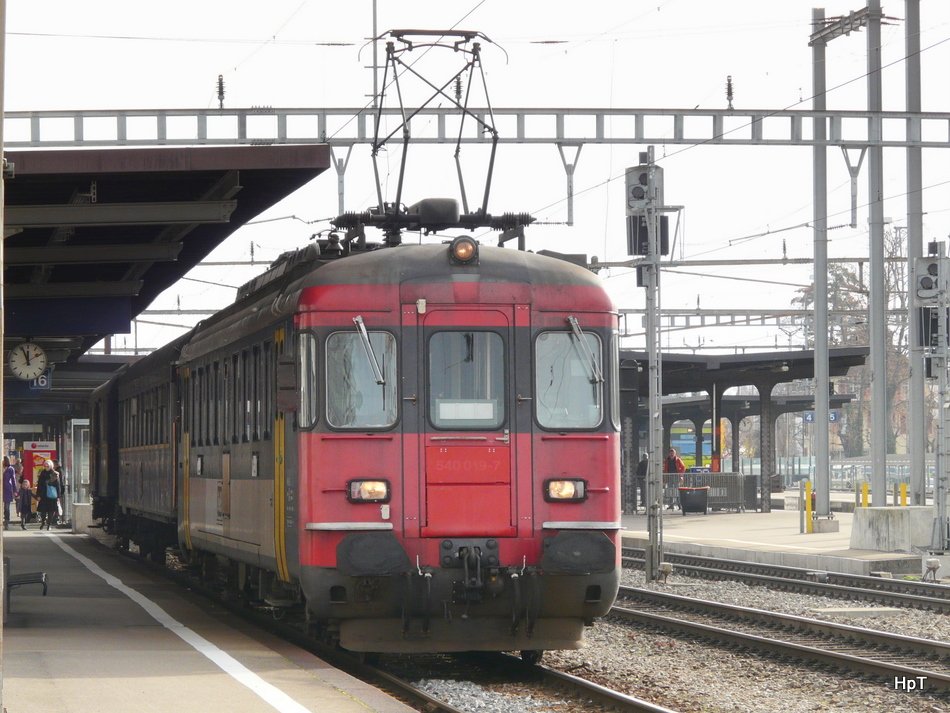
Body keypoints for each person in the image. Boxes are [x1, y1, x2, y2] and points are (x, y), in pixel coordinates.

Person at [36, 460, 61, 530]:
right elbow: (39, 485)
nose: (46, 467)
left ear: (51, 466)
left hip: (52, 495)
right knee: (43, 510)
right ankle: (43, 522)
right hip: (43, 494)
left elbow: (58, 485)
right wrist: (38, 495)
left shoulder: (54, 473)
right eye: (45, 465)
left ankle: (49, 524)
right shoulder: (42, 473)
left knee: (51, 510)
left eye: (47, 465)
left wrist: (58, 496)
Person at [2, 457, 18, 530]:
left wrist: (15, 490)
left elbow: (13, 480)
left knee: (6, 507)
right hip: (1, 489)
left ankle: (6, 522)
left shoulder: (10, 469)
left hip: (7, 490)